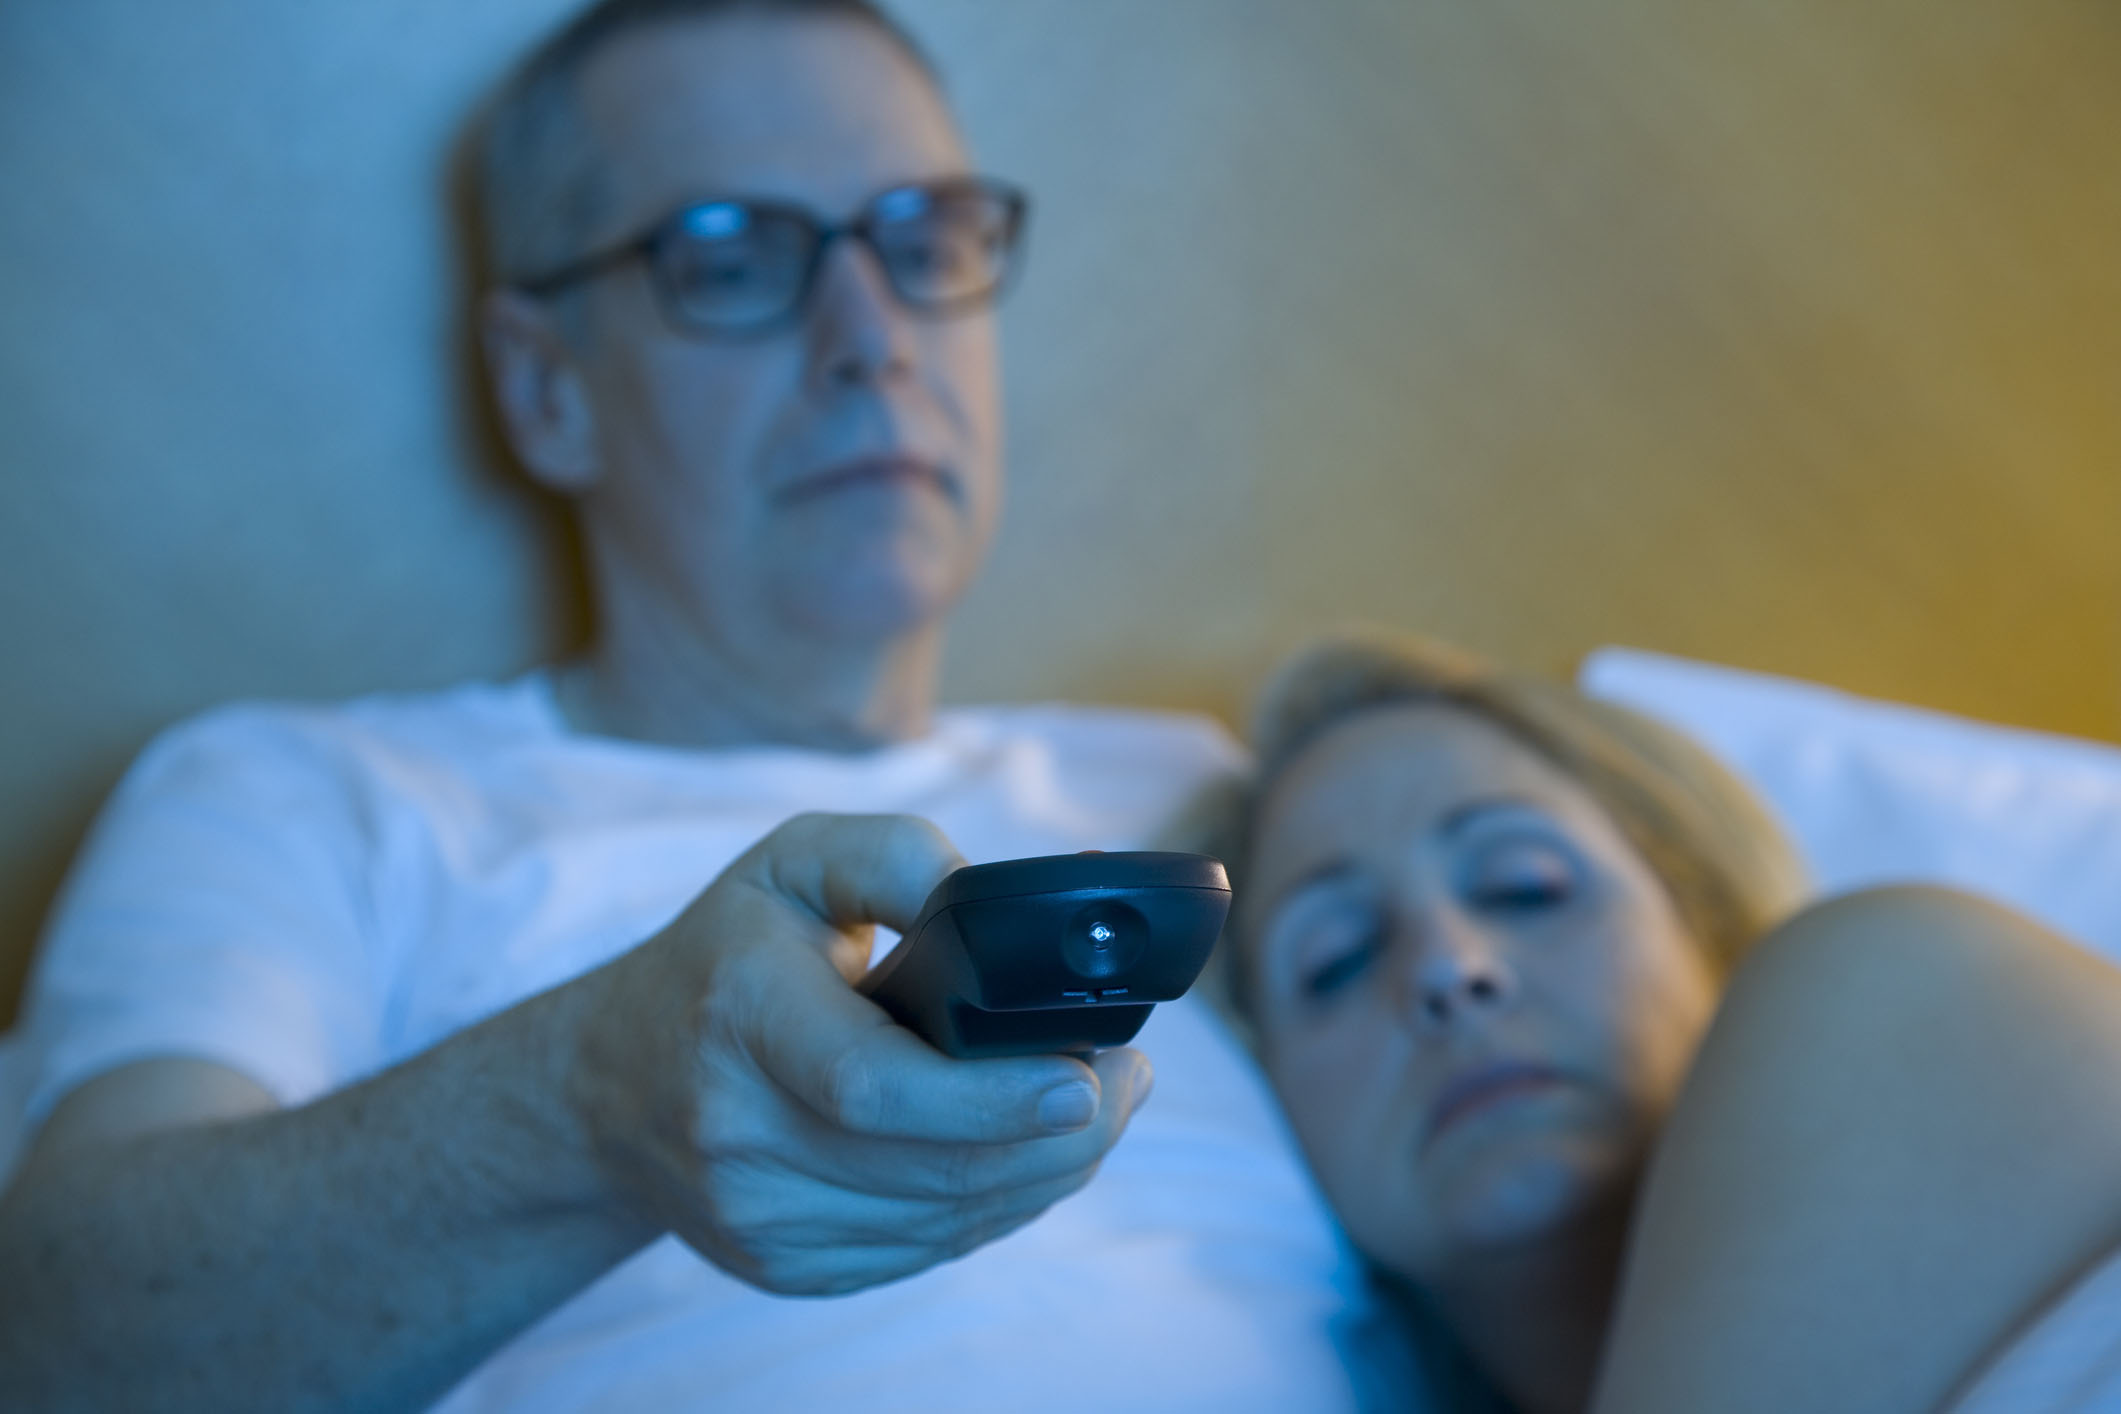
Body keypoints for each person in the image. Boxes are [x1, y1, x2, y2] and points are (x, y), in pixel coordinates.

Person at [0, 3, 1385, 1409]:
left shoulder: (1208, 804)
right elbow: (53, 1345)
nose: (873, 338)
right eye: (732, 256)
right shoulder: (301, 798)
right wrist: (593, 1102)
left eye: (922, 243)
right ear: (546, 389)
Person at [1199, 629, 2121, 1414]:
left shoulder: (1915, 990)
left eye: (1525, 887)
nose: (1447, 968)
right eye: (1337, 960)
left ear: (1707, 928)